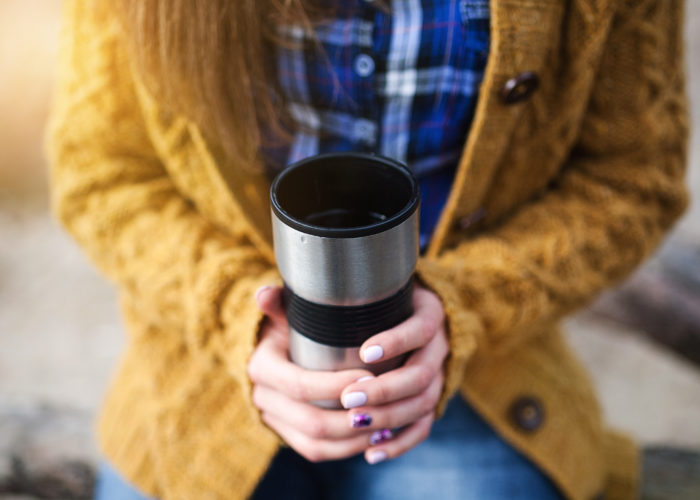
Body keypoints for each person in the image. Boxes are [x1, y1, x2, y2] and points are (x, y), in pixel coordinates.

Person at [48, 0, 689, 499]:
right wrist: (231, 317)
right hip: (204, 376)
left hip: (481, 377)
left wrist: (466, 303)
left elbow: (633, 179)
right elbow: (101, 172)